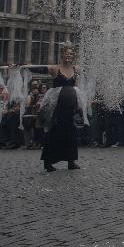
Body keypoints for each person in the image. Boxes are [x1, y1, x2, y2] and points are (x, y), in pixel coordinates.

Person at [39, 42, 86, 171]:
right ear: (62, 55)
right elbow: (38, 68)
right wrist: (18, 67)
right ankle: (48, 162)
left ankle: (71, 161)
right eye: (66, 54)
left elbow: (76, 86)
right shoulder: (55, 68)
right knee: (54, 132)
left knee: (71, 133)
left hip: (71, 107)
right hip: (57, 107)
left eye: (71, 54)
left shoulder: (76, 69)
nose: (68, 56)